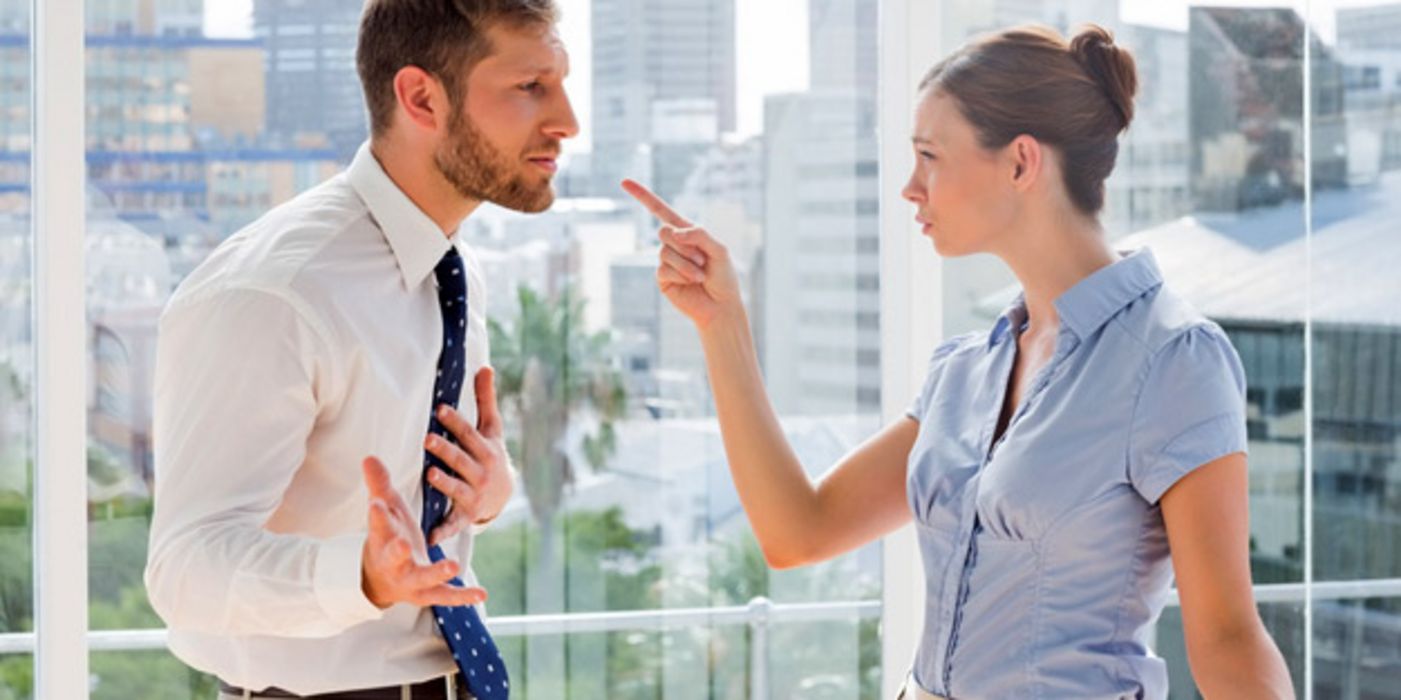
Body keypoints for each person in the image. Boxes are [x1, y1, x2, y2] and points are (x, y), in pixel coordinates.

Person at [623, 24, 1294, 700]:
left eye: (929, 156)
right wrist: (722, 324)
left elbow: (1228, 639)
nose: (911, 188)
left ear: (1020, 162)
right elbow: (797, 531)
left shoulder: (1173, 359)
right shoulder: (964, 372)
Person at [144, 1, 577, 698]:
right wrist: (364, 578)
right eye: (529, 88)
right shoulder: (273, 294)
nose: (567, 121)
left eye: (560, 84)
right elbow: (184, 569)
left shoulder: (449, 267)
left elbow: (393, 507)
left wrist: (486, 495)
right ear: (420, 97)